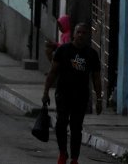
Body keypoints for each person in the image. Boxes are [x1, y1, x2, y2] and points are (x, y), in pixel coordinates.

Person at [43, 21, 102, 164]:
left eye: (83, 33)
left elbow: (96, 78)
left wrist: (99, 100)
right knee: (61, 123)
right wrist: (45, 92)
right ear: (73, 34)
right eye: (78, 32)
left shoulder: (92, 54)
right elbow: (52, 72)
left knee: (76, 127)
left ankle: (74, 159)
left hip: (81, 96)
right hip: (63, 93)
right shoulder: (63, 50)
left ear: (88, 35)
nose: (81, 35)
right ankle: (63, 153)